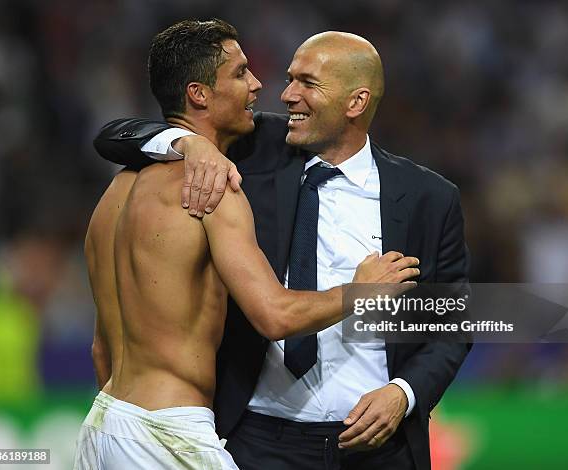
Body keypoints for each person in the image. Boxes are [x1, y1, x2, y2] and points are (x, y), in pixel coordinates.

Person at [94, 29, 470, 470]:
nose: (286, 94)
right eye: (290, 79)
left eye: (307, 84)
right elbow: (115, 136)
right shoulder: (248, 151)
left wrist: (403, 394)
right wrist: (187, 143)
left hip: (377, 448)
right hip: (260, 440)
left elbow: (451, 325)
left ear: (356, 103)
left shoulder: (428, 197)